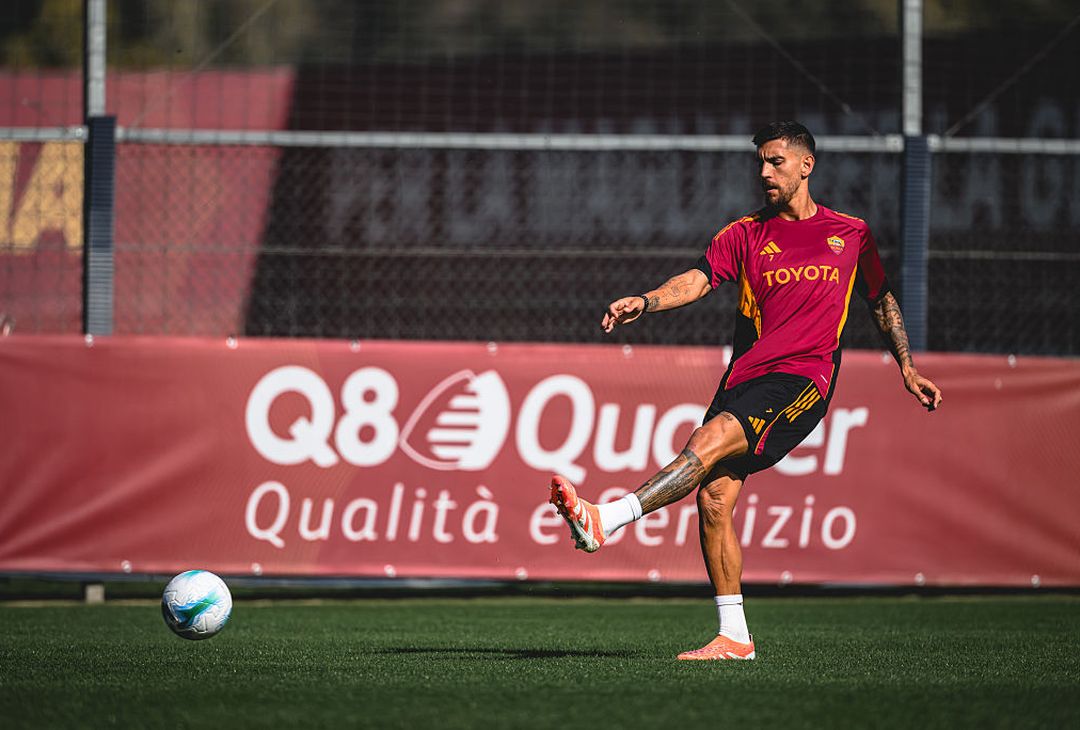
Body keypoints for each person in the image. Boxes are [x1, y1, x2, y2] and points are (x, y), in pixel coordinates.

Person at [548, 121, 942, 661]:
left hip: (803, 378)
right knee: (713, 499)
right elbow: (697, 279)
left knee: (707, 441)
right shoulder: (745, 233)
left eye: (776, 161)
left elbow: (881, 299)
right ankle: (734, 635)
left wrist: (907, 367)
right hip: (744, 377)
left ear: (806, 165)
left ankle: (606, 520)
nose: (764, 172)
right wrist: (647, 300)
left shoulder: (851, 234)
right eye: (760, 162)